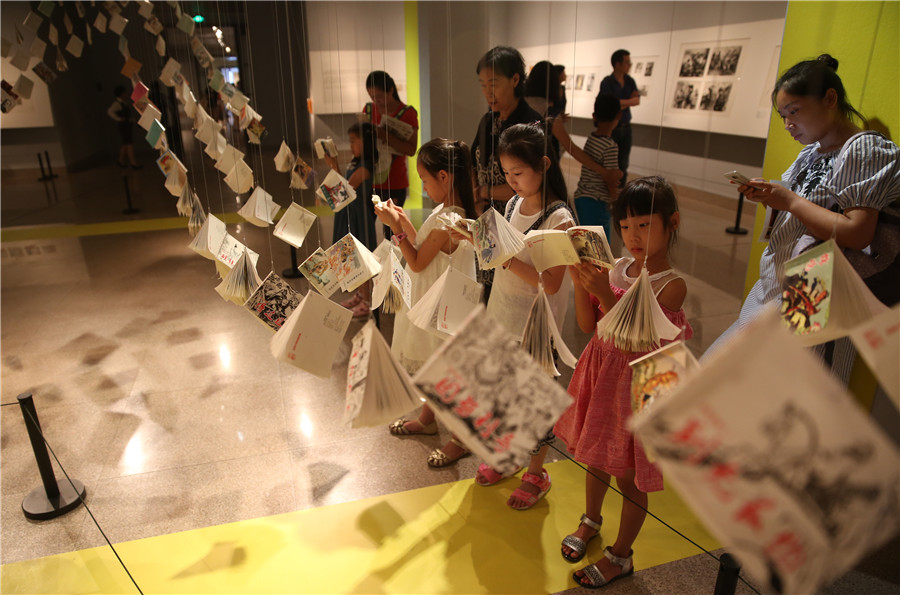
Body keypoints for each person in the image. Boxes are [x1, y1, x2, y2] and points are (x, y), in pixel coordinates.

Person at [711, 54, 900, 379]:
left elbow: (858, 233)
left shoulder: (863, 149)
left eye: (794, 112)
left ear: (830, 99)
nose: (788, 125)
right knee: (730, 385)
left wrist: (789, 200)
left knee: (787, 399)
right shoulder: (810, 152)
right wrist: (772, 198)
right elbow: (800, 214)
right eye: (783, 116)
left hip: (816, 294)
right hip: (775, 285)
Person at [554, 176, 690, 588]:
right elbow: (588, 326)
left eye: (645, 225)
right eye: (626, 227)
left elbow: (642, 342)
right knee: (595, 457)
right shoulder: (617, 268)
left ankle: (621, 554)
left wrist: (607, 296)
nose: (632, 236)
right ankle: (590, 521)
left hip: (639, 388)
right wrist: (581, 286)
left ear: (672, 223)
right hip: (601, 374)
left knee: (629, 475)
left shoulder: (672, 285)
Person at [465, 122, 576, 510]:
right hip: (504, 312)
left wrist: (506, 258)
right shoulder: (512, 204)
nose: (511, 182)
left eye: (518, 173)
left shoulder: (559, 218)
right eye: (506, 174)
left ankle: (536, 471)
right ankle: (506, 456)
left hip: (536, 325)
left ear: (544, 165)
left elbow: (551, 282)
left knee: (534, 398)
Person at [384, 139, 478, 459]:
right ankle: (428, 418)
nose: (423, 188)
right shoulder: (445, 212)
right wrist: (404, 222)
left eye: (425, 180)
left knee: (443, 369)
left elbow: (418, 261)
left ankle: (461, 438)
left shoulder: (449, 218)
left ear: (444, 177)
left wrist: (395, 231)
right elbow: (423, 243)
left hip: (439, 307)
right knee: (431, 365)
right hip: (432, 301)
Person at [524, 61, 623, 197]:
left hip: (519, 164)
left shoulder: (523, 103)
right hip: (537, 169)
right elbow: (571, 147)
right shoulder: (549, 111)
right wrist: (604, 172)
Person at [472, 46, 543, 214]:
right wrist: (475, 195)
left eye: (494, 84)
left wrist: (483, 192)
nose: (488, 93)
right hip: (484, 213)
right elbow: (471, 163)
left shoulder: (530, 124)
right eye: (483, 85)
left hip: (517, 213)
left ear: (515, 80)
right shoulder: (488, 120)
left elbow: (530, 180)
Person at [323, 121, 379, 318]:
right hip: (349, 214)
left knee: (361, 257)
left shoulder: (364, 168)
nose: (351, 145)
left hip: (358, 217)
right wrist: (334, 165)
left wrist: (333, 168)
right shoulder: (356, 163)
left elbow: (342, 190)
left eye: (354, 141)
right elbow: (343, 187)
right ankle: (360, 294)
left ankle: (367, 299)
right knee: (353, 257)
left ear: (366, 143)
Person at [363, 71, 419, 240]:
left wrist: (384, 135)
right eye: (371, 96)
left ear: (391, 90)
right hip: (371, 178)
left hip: (395, 181)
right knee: (366, 228)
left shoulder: (407, 113)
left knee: (391, 231)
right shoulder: (369, 109)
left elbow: (411, 149)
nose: (375, 101)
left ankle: (392, 265)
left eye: (379, 96)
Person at [570, 93, 622, 230]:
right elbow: (610, 178)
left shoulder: (592, 138)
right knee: (599, 245)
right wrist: (615, 199)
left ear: (594, 116)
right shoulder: (610, 146)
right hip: (597, 200)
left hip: (583, 195)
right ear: (619, 116)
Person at [599, 49, 640, 188]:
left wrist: (619, 103)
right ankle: (607, 191)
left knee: (623, 163)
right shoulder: (607, 82)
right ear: (617, 64)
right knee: (608, 161)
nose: (629, 65)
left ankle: (619, 192)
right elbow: (609, 104)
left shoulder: (630, 81)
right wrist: (627, 101)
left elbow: (636, 101)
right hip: (612, 127)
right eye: (627, 62)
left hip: (626, 127)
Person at [107, 85, 141, 169]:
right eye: (125, 93)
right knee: (129, 143)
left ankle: (120, 161)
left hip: (127, 124)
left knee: (125, 144)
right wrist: (119, 119)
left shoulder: (123, 103)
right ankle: (133, 163)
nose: (126, 94)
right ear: (121, 94)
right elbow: (109, 111)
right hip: (123, 126)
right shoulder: (117, 104)